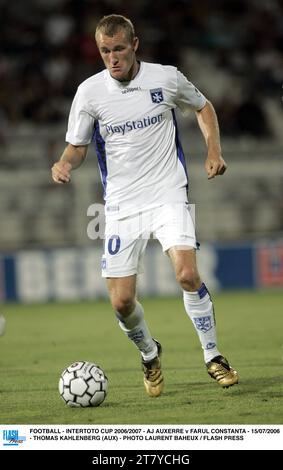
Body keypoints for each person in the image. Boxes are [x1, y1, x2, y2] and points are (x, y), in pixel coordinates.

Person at [52, 14, 238, 397]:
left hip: (168, 192)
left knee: (187, 274)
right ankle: (150, 354)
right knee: (121, 301)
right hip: (121, 205)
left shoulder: (166, 77)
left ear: (134, 45)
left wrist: (213, 151)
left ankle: (213, 355)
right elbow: (78, 146)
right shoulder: (89, 93)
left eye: (119, 49)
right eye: (105, 51)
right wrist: (64, 163)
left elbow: (204, 107)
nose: (113, 58)